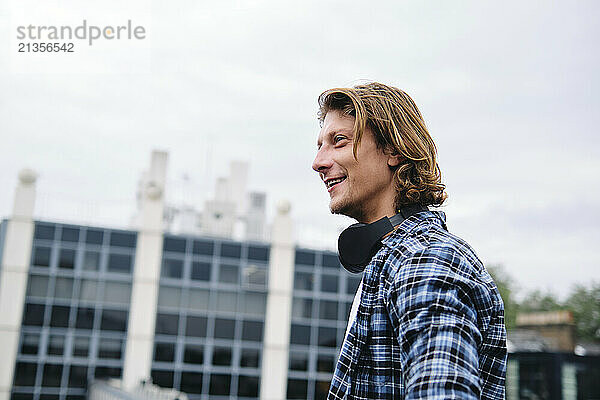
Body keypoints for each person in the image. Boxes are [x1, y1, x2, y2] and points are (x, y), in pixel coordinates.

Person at [311, 82, 507, 399]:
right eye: (320, 145)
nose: (318, 162)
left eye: (339, 141)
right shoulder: (396, 258)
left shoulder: (426, 260)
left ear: (393, 150)